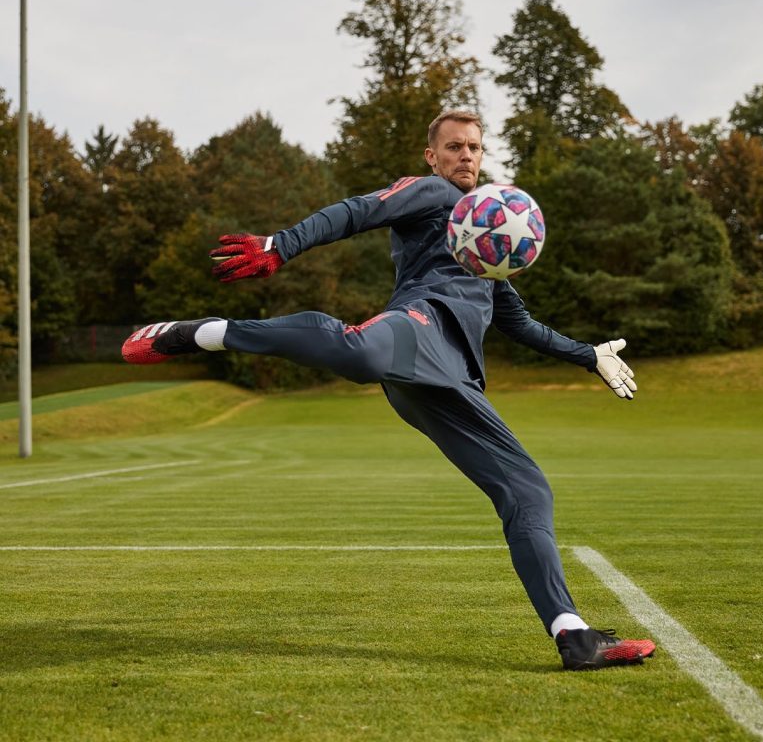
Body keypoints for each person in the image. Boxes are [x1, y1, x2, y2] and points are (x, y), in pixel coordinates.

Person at [123, 110, 655, 671]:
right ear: (433, 156)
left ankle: (573, 635)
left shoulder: (488, 237)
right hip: (416, 327)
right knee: (359, 354)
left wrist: (587, 354)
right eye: (453, 147)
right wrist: (281, 244)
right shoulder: (430, 194)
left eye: (474, 147)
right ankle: (200, 333)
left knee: (528, 490)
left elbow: (519, 324)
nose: (466, 156)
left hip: (454, 381)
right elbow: (356, 212)